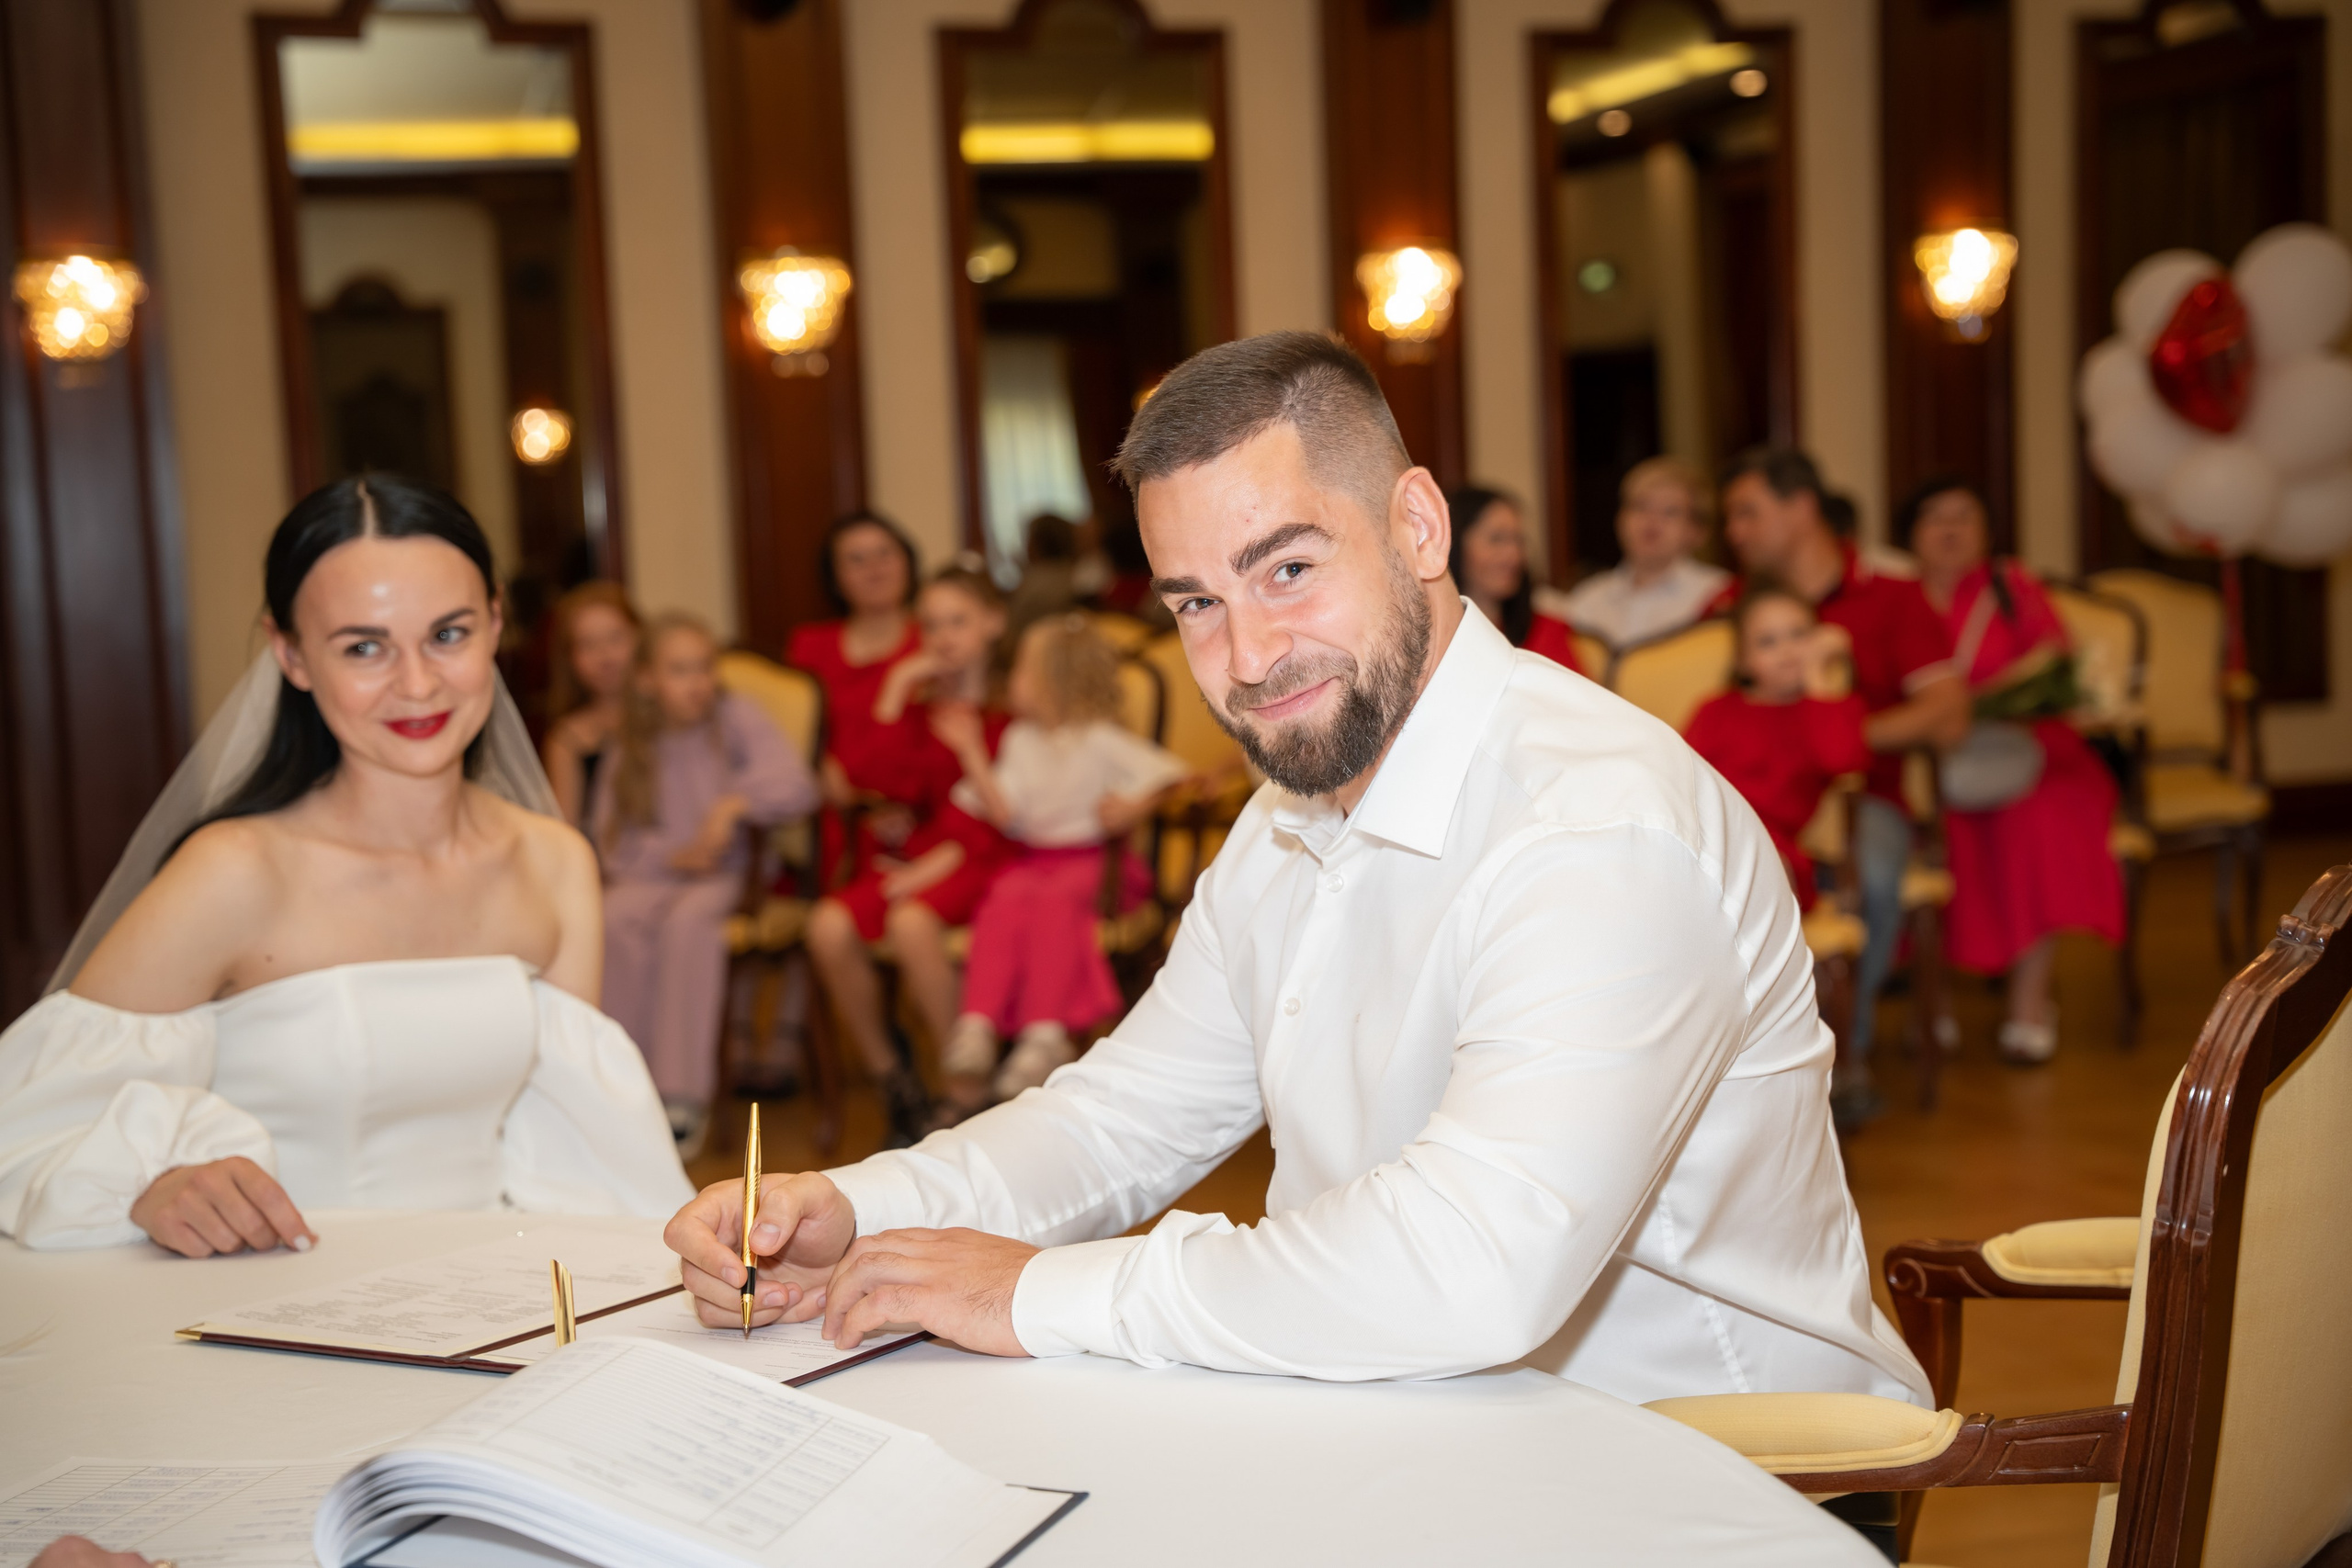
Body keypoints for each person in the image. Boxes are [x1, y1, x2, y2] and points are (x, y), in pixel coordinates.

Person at [662, 333, 1928, 1414]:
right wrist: (852, 1201)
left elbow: (1472, 1265)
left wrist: (1033, 1287)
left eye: (1288, 568)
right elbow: (1125, 1115)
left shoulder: (1599, 824)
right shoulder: (1289, 812)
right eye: (1195, 602)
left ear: (1418, 525)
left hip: (1723, 1469)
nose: (1250, 652)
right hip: (1423, 1420)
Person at [0, 476, 690, 1254]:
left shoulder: (553, 861)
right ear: (290, 654)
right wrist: (146, 1186)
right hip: (272, 1300)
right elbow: (22, 1127)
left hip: (497, 1291)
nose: (418, 683)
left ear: (497, 622)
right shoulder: (234, 871)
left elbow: (569, 1149)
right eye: (365, 646)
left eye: (449, 634)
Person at [1716, 448, 1971, 1127]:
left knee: (1877, 874)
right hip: (1748, 812)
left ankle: (1841, 1056)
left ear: (1799, 508)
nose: (1734, 531)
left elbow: (1948, 713)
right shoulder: (1727, 602)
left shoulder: (1891, 593)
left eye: (1748, 512)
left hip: (1867, 797)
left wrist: (1836, 711)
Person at [1905, 479, 2125, 1065]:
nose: (1950, 531)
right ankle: (1938, 999)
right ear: (1911, 535)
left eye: (1965, 517)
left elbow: (2058, 666)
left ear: (1987, 532)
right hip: (1931, 751)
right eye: (1934, 518)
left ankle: (2029, 1001)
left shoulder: (2012, 588)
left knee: (2037, 817)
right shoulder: (1897, 601)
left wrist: (2003, 695)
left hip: (2027, 747)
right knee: (1928, 820)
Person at [933, 615, 1187, 1117]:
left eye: (1024, 670)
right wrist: (970, 754)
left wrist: (1135, 806)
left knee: (1052, 902)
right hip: (1035, 862)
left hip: (1094, 865)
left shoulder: (1098, 738)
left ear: (1056, 680)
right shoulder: (1019, 740)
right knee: (1004, 897)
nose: (1013, 682)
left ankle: (1045, 1031)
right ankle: (978, 1023)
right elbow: (1005, 815)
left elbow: (1170, 775)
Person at [803, 564, 1016, 1145]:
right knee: (826, 924)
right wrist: (896, 691)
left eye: (957, 621)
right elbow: (874, 781)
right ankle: (893, 1078)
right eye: (930, 626)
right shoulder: (922, 706)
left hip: (985, 860)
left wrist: (938, 859)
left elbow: (1013, 813)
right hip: (919, 858)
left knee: (911, 919)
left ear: (992, 624)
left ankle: (967, 1087)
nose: (943, 637)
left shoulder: (1011, 707)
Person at [594, 613, 820, 1153]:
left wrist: (734, 803)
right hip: (655, 873)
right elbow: (610, 836)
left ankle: (680, 1095)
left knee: (688, 924)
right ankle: (623, 1083)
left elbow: (795, 783)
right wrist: (674, 854)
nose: (697, 683)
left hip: (731, 875)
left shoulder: (736, 717)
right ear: (647, 678)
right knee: (611, 917)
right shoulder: (634, 739)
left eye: (704, 668)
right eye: (679, 670)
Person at [1685, 582, 1871, 912]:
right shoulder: (1715, 710)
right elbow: (1681, 772)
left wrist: (1817, 677)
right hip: (1706, 833)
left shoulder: (1829, 707)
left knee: (1764, 871)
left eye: (1799, 635)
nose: (1787, 650)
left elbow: (1841, 759)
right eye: (1767, 642)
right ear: (1743, 660)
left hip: (1774, 849)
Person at [786, 511, 925, 884]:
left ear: (907, 562)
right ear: (835, 578)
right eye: (856, 560)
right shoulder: (809, 647)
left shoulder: (934, 643)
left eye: (885, 554)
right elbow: (791, 732)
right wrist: (818, 763)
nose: (874, 569)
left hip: (918, 810)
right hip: (832, 810)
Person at [1556, 456, 1729, 649]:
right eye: (1640, 507)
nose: (1652, 521)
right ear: (1619, 519)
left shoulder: (1719, 596)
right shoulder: (1587, 599)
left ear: (1698, 532)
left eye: (1669, 512)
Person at [1443, 484, 1583, 672]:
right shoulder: (1427, 636)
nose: (1513, 555)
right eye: (1497, 539)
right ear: (1454, 543)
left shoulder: (1547, 632)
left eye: (1518, 540)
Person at [540, 581, 641, 827]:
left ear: (640, 638)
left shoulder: (672, 713)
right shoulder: (567, 739)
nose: (605, 656)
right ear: (570, 658)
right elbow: (566, 831)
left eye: (615, 638)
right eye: (588, 645)